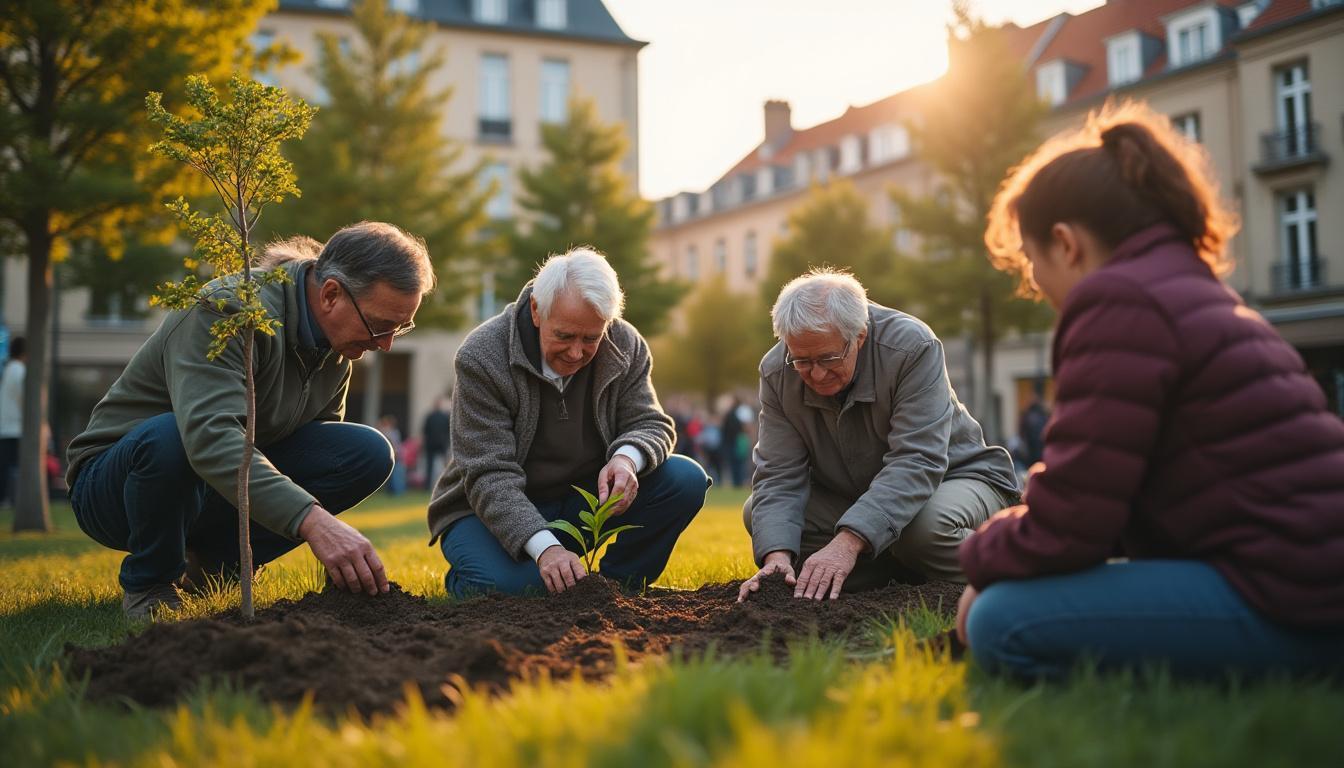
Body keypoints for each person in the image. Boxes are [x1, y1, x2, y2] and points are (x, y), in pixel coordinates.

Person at [957, 104, 1344, 679]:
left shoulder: (1119, 303)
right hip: (1308, 579)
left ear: (1066, 244)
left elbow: (1071, 523)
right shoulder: (1190, 285)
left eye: (1033, 267)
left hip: (1291, 603)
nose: (1041, 290)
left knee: (1000, 620)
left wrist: (978, 561)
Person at [66, 222, 436, 620]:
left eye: (401, 327)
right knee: (171, 434)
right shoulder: (228, 309)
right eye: (381, 326)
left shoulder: (337, 346)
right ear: (331, 295)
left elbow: (317, 443)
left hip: (211, 486)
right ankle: (151, 584)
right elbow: (210, 439)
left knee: (365, 451)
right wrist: (314, 523)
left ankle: (217, 565)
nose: (386, 344)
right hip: (118, 485)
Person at [428, 247, 709, 598]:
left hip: (581, 499)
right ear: (535, 311)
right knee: (519, 589)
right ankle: (472, 577)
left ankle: (614, 587)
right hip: (484, 509)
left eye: (591, 338)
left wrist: (626, 459)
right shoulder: (482, 355)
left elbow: (651, 422)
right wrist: (546, 549)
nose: (576, 353)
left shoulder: (625, 342)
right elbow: (489, 475)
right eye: (563, 336)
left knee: (684, 479)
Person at [738, 269, 1020, 602]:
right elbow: (778, 475)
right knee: (758, 513)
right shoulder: (776, 371)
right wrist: (777, 557)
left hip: (956, 477)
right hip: (859, 495)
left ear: (859, 335)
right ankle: (907, 567)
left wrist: (847, 542)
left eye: (828, 358)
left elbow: (918, 459)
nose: (815, 373)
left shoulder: (913, 347)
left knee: (922, 531)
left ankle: (1021, 569)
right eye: (802, 360)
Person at [0, 336, 25, 506]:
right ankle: (13, 500)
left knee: (5, 467)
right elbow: (25, 401)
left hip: (5, 427)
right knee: (17, 467)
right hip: (17, 428)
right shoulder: (21, 371)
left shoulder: (8, 369)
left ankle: (4, 499)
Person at [420, 396, 451, 488]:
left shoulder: (431, 416)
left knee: (440, 465)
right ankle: (444, 484)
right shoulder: (443, 416)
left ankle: (435, 485)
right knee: (443, 465)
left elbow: (425, 431)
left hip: (434, 444)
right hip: (438, 444)